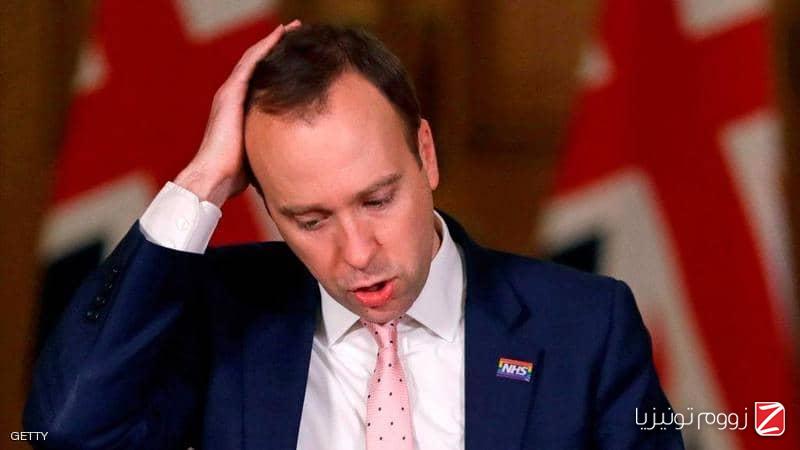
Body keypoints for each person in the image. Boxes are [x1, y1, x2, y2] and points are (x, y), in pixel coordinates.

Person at [24, 21, 684, 450]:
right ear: (268, 208)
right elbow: (66, 433)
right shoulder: (219, 317)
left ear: (425, 155)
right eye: (311, 220)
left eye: (377, 199)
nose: (358, 253)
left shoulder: (585, 325)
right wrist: (202, 181)